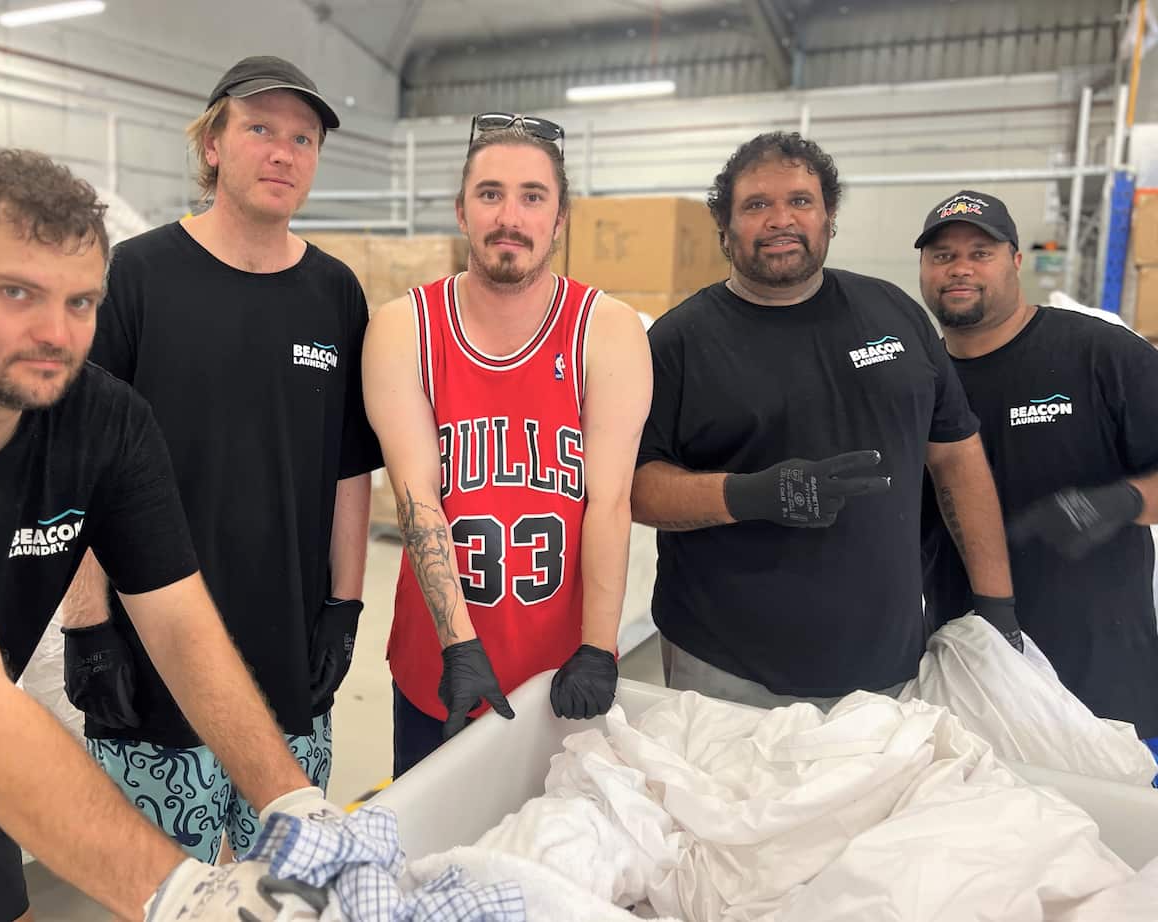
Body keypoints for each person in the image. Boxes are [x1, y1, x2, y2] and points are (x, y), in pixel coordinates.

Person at [0, 149, 339, 921]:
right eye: (17, 292)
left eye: (82, 302)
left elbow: (182, 626)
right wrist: (186, 894)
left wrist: (291, 800)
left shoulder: (103, 421)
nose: (55, 334)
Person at [58, 55, 382, 862]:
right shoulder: (134, 277)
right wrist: (89, 624)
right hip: (150, 666)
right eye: (261, 129)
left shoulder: (335, 293)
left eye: (303, 139)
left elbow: (350, 469)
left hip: (287, 666)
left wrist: (345, 609)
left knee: (286, 892)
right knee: (158, 894)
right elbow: (77, 463)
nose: (283, 152)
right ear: (212, 145)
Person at [630, 132, 1016, 711]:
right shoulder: (679, 342)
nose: (780, 219)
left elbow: (957, 458)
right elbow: (635, 491)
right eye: (756, 205)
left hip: (884, 660)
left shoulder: (895, 314)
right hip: (723, 666)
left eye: (800, 201)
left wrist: (996, 607)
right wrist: (753, 494)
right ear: (725, 227)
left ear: (828, 216)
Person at [363, 113, 652, 775]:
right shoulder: (404, 328)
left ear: (560, 219)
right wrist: (457, 646)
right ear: (461, 211)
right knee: (431, 860)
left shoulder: (605, 330)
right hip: (436, 662)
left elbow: (609, 501)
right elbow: (416, 497)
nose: (509, 216)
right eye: (490, 194)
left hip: (561, 667)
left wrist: (600, 647)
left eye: (532, 196)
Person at [917, 189, 1158, 745]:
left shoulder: (1101, 355)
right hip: (976, 680)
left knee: (1125, 827)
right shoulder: (919, 381)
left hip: (1106, 687)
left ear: (1016, 261)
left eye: (980, 252)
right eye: (942, 255)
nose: (960, 269)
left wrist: (1123, 501)